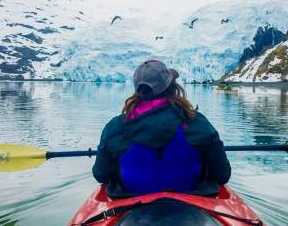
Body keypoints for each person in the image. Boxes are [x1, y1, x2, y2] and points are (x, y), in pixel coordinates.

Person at [92, 60, 231, 198]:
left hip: (130, 205)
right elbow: (222, 175)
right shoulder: (196, 122)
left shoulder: (115, 127)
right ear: (172, 87)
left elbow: (101, 175)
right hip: (191, 205)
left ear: (138, 90)